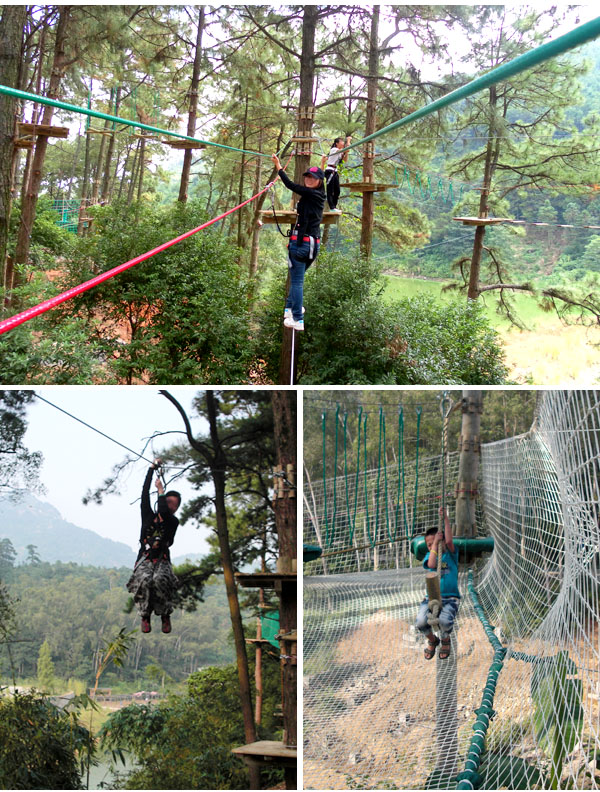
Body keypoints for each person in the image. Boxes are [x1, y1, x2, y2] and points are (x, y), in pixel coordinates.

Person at [271, 154, 325, 331]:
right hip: (312, 245)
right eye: (308, 176)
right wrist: (323, 164)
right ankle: (289, 309)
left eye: (313, 178)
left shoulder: (310, 193)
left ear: (319, 181)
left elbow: (290, 185)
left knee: (297, 283)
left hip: (302, 244)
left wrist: (278, 166)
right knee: (297, 279)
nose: (309, 180)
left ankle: (297, 318)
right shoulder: (319, 194)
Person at [126, 459, 181, 634]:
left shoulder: (172, 521)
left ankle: (165, 614)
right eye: (169, 502)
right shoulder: (148, 516)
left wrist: (161, 491)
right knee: (145, 580)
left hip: (162, 559)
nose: (171, 505)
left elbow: (164, 512)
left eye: (175, 504)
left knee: (159, 580)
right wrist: (151, 469)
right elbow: (144, 493)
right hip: (145, 557)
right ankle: (145, 615)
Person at [415, 506, 460, 660]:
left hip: (449, 598)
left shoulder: (451, 554)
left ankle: (446, 640)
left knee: (445, 621)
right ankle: (433, 641)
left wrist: (445, 518)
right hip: (431, 599)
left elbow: (448, 540)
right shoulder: (429, 555)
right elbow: (433, 564)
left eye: (434, 542)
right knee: (421, 622)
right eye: (429, 544)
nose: (432, 546)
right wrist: (434, 545)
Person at [320, 135, 352, 212]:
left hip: (335, 171)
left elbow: (345, 159)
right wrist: (348, 141)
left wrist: (346, 153)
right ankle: (331, 207)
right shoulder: (334, 150)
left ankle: (334, 206)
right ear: (337, 143)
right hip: (330, 171)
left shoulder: (340, 151)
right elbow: (346, 149)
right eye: (342, 142)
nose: (343, 143)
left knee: (337, 190)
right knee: (330, 190)